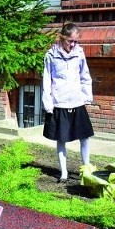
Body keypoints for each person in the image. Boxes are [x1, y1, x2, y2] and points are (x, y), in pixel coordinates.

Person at [42, 22, 94, 183]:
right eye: (70, 41)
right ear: (62, 38)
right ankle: (63, 172)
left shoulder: (79, 54)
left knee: (85, 137)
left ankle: (86, 168)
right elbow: (47, 80)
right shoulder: (51, 55)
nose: (73, 45)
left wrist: (87, 97)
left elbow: (85, 75)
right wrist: (48, 103)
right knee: (61, 138)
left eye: (76, 41)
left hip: (76, 101)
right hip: (60, 102)